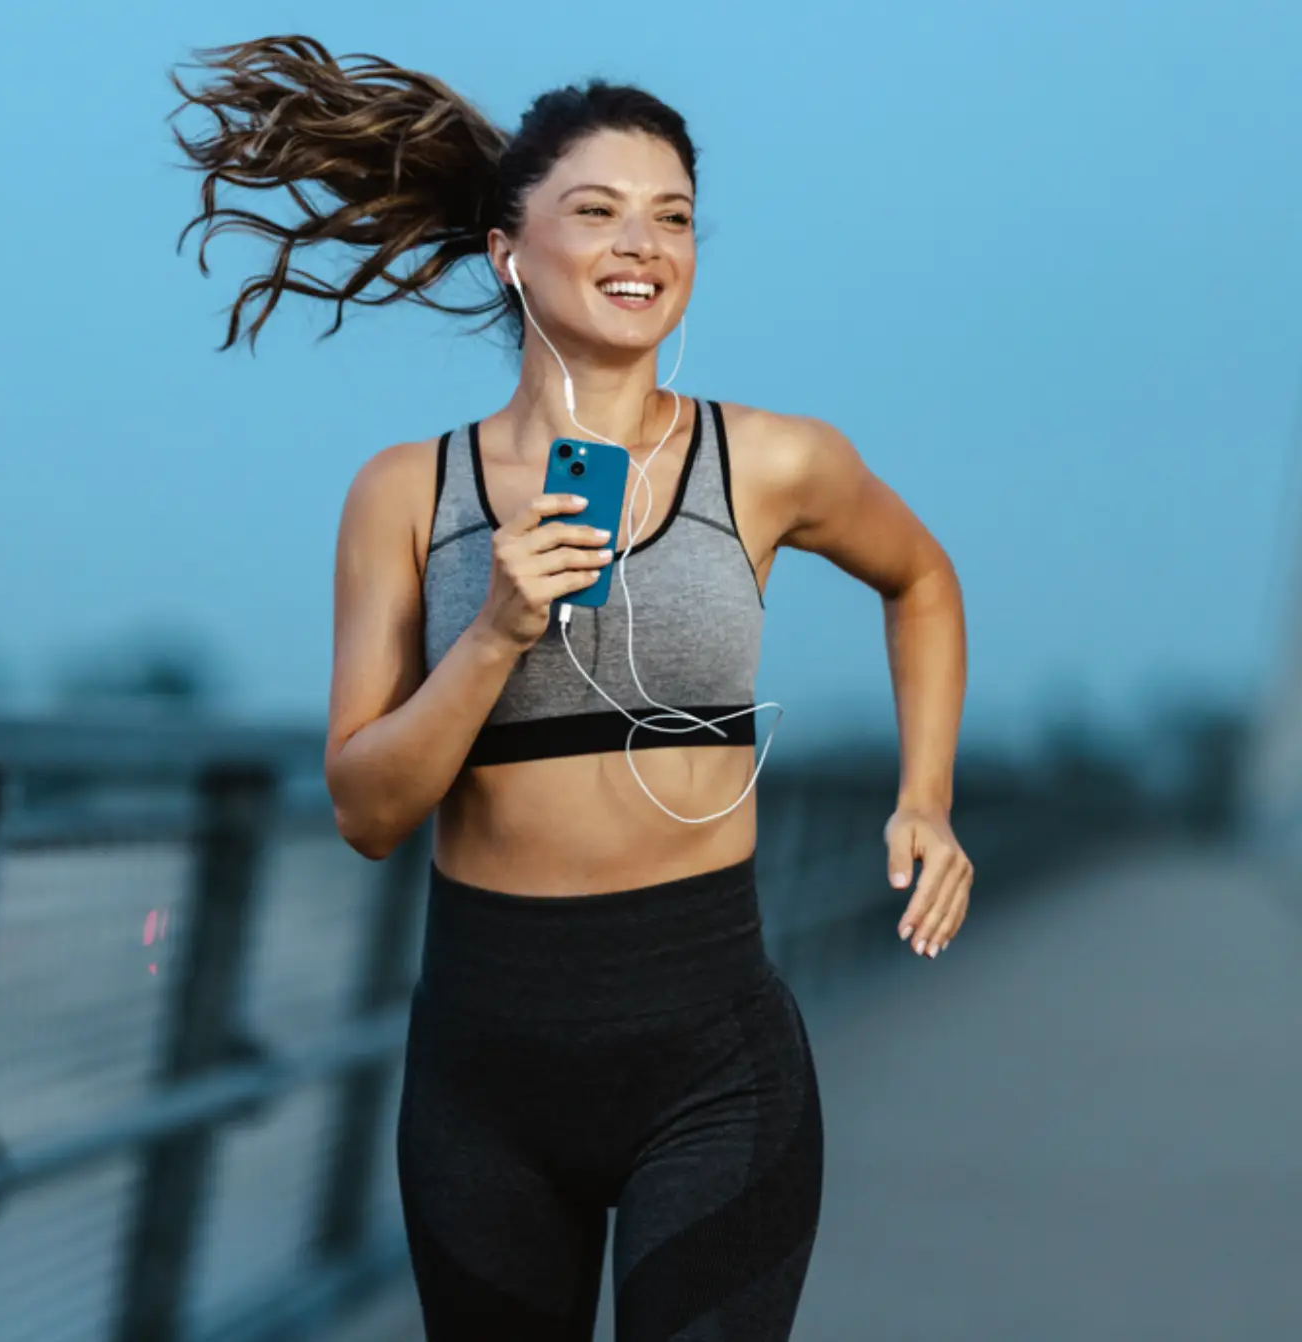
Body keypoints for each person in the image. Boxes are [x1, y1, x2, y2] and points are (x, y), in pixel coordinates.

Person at [172, 34, 971, 1340]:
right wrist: (492, 628)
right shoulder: (404, 495)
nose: (640, 244)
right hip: (483, 1081)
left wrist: (924, 796)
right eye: (594, 211)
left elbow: (921, 580)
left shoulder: (770, 462)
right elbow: (366, 810)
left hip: (712, 1062)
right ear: (507, 248)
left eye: (672, 218)